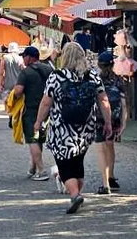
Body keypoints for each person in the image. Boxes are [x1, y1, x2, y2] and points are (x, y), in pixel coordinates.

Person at [34, 42, 114, 214]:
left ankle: (75, 194)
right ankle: (77, 192)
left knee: (64, 164)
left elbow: (46, 102)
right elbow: (104, 100)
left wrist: (38, 121)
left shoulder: (56, 76)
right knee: (77, 161)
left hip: (62, 128)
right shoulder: (92, 76)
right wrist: (107, 122)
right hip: (85, 127)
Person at [10, 46, 54, 181]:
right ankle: (33, 168)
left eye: (24, 56)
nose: (23, 59)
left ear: (29, 57)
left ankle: (42, 170)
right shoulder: (49, 70)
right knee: (39, 138)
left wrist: (13, 99)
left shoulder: (26, 72)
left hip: (31, 111)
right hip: (47, 110)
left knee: (33, 139)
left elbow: (18, 91)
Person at [95, 51, 125, 194]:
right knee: (111, 146)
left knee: (101, 148)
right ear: (112, 64)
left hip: (100, 117)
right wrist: (124, 122)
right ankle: (111, 175)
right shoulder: (118, 80)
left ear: (99, 65)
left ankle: (105, 183)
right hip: (115, 117)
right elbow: (124, 102)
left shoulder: (96, 79)